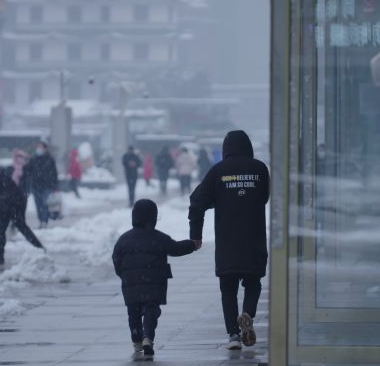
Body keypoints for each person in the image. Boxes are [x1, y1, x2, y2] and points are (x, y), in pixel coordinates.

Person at [188, 130, 270, 350]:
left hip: (228, 242)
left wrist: (195, 235)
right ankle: (247, 315)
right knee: (253, 283)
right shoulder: (260, 169)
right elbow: (264, 197)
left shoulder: (217, 172)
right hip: (254, 238)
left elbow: (196, 202)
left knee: (228, 289)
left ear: (226, 149)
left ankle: (233, 336)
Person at [112, 199, 198, 356]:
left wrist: (124, 275)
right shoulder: (159, 238)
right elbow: (175, 248)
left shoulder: (124, 239)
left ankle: (137, 339)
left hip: (130, 285)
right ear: (153, 218)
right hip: (153, 284)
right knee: (151, 311)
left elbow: (116, 258)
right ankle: (148, 338)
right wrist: (192, 245)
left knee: (133, 313)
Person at [0, 153, 45, 265]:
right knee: (12, 228)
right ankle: (1, 255)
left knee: (14, 228)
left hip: (10, 203)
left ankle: (39, 248)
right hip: (13, 201)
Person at [24, 141, 58, 228]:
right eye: (38, 147)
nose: (38, 149)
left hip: (47, 186)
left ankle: (44, 221)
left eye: (40, 147)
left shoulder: (50, 159)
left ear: (45, 149)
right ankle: (41, 220)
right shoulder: (33, 159)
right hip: (36, 186)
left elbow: (54, 173)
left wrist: (55, 186)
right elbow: (27, 170)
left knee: (45, 204)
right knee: (38, 204)